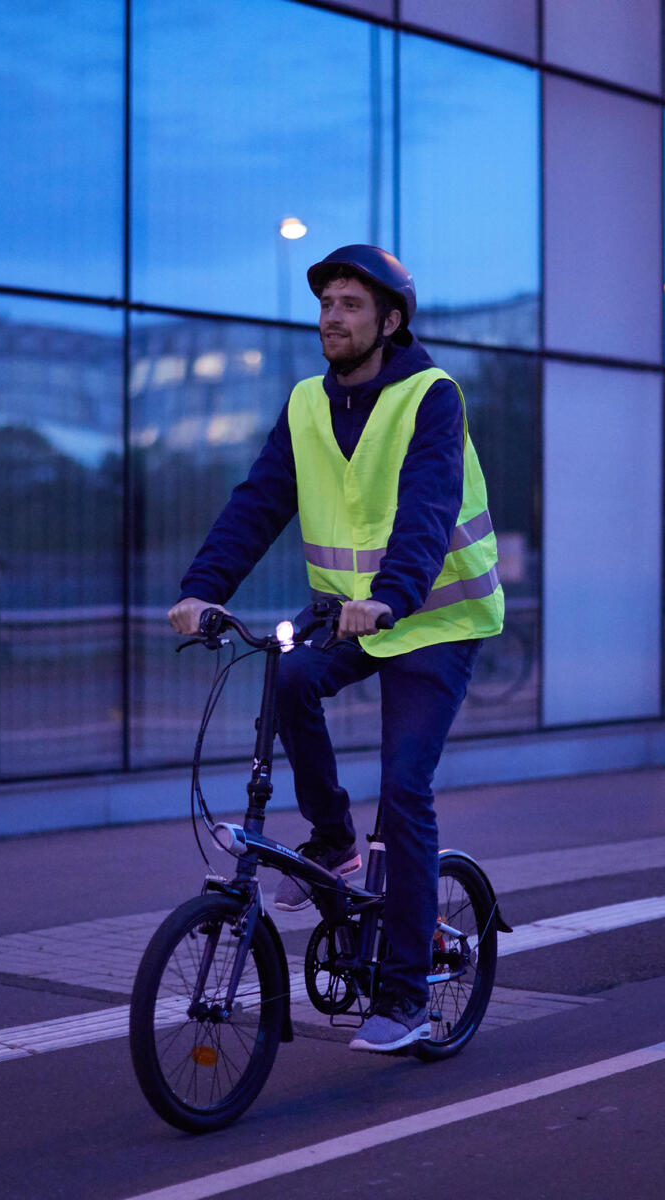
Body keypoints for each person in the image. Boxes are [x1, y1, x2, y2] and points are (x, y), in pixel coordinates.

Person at [167, 244, 504, 1053]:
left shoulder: (432, 397)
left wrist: (393, 595)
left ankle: (405, 997)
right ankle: (333, 845)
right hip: (353, 613)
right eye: (326, 304)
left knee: (405, 785)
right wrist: (203, 587)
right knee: (286, 682)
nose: (333, 317)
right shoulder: (306, 406)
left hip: (436, 619)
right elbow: (259, 502)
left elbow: (427, 507)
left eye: (352, 304)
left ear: (390, 322)